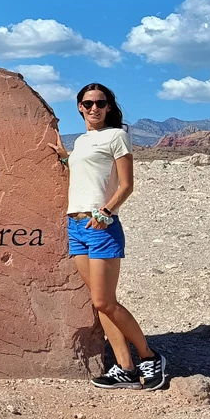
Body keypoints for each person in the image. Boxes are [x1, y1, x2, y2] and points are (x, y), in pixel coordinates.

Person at [49, 83, 168, 391]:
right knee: (99, 304)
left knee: (105, 301)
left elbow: (126, 185)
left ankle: (149, 356)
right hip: (75, 227)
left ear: (109, 107)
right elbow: (86, 176)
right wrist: (66, 159)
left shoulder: (117, 136)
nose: (94, 108)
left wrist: (105, 213)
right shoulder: (83, 142)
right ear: (79, 107)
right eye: (88, 103)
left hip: (101, 227)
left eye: (100, 103)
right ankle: (125, 368)